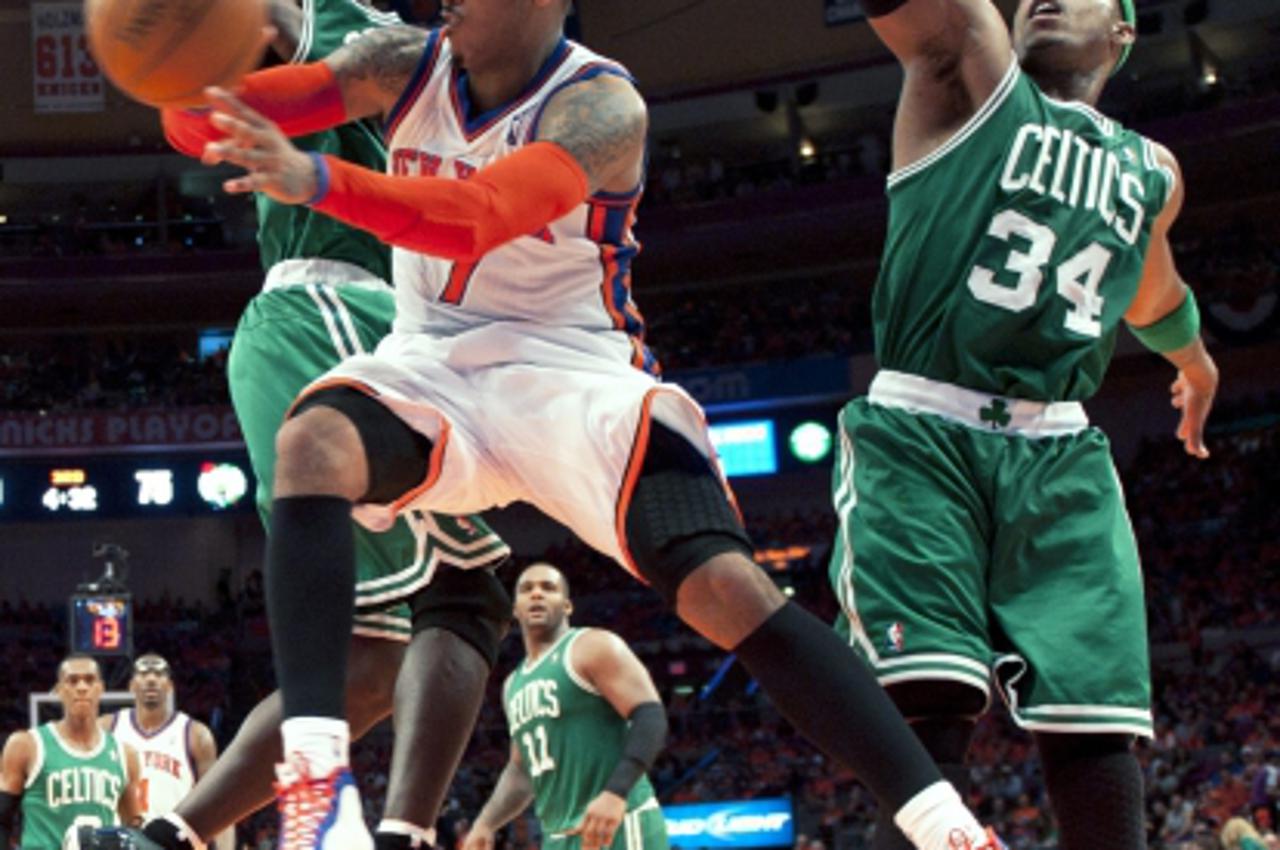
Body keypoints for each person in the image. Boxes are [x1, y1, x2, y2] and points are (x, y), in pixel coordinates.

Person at [163, 2, 1004, 848]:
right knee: (314, 443)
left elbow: (478, 216)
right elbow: (201, 121)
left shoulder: (601, 107)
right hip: (433, 364)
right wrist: (174, 67)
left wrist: (317, 180)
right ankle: (314, 772)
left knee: (725, 590)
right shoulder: (397, 61)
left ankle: (946, 826)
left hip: (569, 375)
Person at [823, 1, 1220, 849]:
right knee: (927, 701)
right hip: (925, 428)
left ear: (1123, 31)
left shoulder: (1153, 168)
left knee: (1094, 725)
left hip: (1060, 447)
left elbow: (1150, 294)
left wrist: (1194, 363)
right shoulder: (971, 71)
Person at [139, 3, 513, 850]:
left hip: (329, 325)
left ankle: (167, 838)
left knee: (371, 667)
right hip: (339, 309)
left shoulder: (465, 62)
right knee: (464, 593)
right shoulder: (350, 13)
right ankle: (398, 831)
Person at [464, 564, 669, 850]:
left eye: (548, 588)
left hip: (619, 823)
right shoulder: (513, 684)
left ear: (567, 605)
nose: (536, 594)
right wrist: (485, 823)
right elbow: (521, 770)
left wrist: (616, 793)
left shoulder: (593, 646)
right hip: (558, 837)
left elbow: (650, 715)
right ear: (515, 609)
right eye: (526, 589)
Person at [0, 655, 143, 850]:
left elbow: (134, 828)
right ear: (59, 690)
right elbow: (2, 817)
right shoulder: (27, 745)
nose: (82, 687)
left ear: (101, 688)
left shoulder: (125, 754)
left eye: (90, 680)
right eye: (72, 680)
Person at [99, 654, 230, 849]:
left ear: (170, 686)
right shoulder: (107, 728)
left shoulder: (195, 734)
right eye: (143, 674)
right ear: (132, 686)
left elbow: (218, 802)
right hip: (122, 841)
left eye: (159, 674)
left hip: (177, 842)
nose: (151, 679)